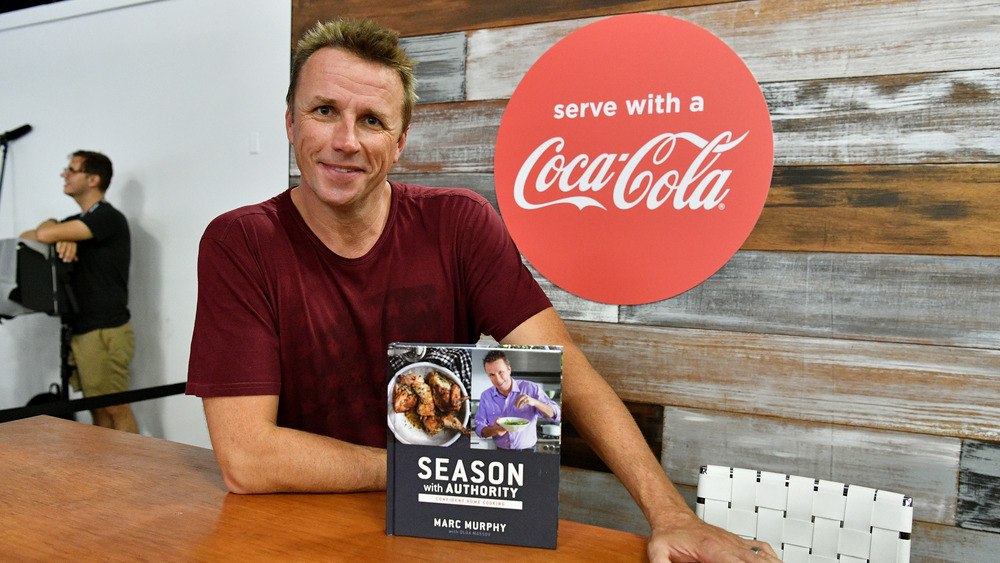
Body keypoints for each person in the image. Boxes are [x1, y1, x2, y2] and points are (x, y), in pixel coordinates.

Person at [185, 18, 780, 562]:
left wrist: (669, 513)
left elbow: (566, 369)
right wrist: (433, 465)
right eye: (323, 111)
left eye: (372, 120)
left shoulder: (459, 224)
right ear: (289, 121)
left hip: (435, 532)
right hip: (293, 534)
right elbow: (247, 459)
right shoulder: (241, 243)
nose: (346, 140)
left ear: (401, 140)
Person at [20, 150, 137, 433]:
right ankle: (107, 470)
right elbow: (27, 237)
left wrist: (55, 232)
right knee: (98, 407)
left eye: (72, 170)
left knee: (115, 406)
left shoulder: (107, 218)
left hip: (104, 330)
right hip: (84, 330)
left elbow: (44, 235)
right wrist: (58, 229)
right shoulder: (79, 221)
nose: (64, 174)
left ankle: (134, 473)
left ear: (93, 179)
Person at [474, 350, 559, 450]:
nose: (498, 379)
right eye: (492, 375)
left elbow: (557, 415)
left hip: (528, 452)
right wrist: (494, 429)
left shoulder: (531, 388)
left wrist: (535, 402)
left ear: (509, 370)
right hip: (501, 453)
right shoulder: (486, 396)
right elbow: (479, 429)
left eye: (500, 372)